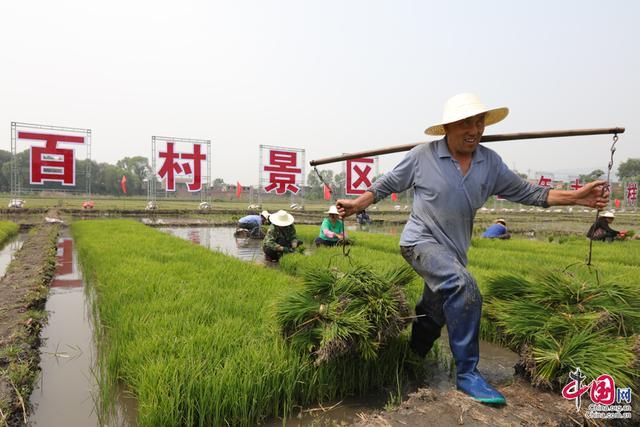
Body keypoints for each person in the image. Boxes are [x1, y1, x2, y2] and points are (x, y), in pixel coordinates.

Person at [336, 93, 609, 405]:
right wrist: (357, 204)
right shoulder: (422, 156)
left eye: (479, 123)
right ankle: (467, 373)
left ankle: (410, 360)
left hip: (453, 252)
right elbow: (386, 184)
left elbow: (529, 192)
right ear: (448, 127)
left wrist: (577, 198)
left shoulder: (489, 163)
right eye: (466, 122)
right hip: (419, 242)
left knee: (433, 313)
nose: (475, 129)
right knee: (464, 287)